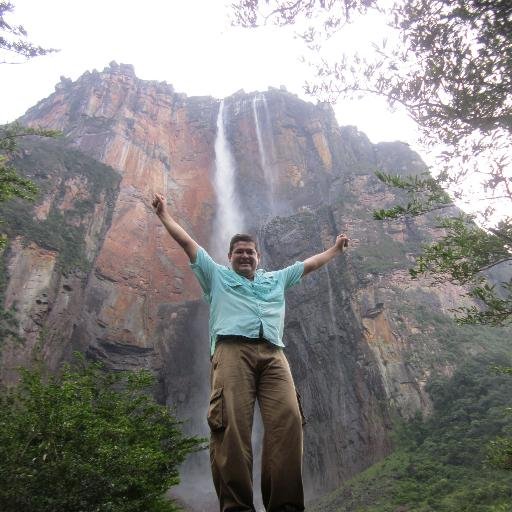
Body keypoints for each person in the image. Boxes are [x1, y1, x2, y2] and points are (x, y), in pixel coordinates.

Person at [152, 193, 349, 512]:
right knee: (230, 428)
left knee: (289, 420)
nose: (245, 256)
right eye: (239, 252)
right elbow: (188, 244)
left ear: (259, 257)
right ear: (229, 256)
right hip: (232, 351)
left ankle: (284, 506)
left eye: (250, 252)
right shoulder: (215, 275)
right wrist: (164, 216)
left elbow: (310, 264)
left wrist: (335, 250)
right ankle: (237, 507)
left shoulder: (276, 279)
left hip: (274, 355)